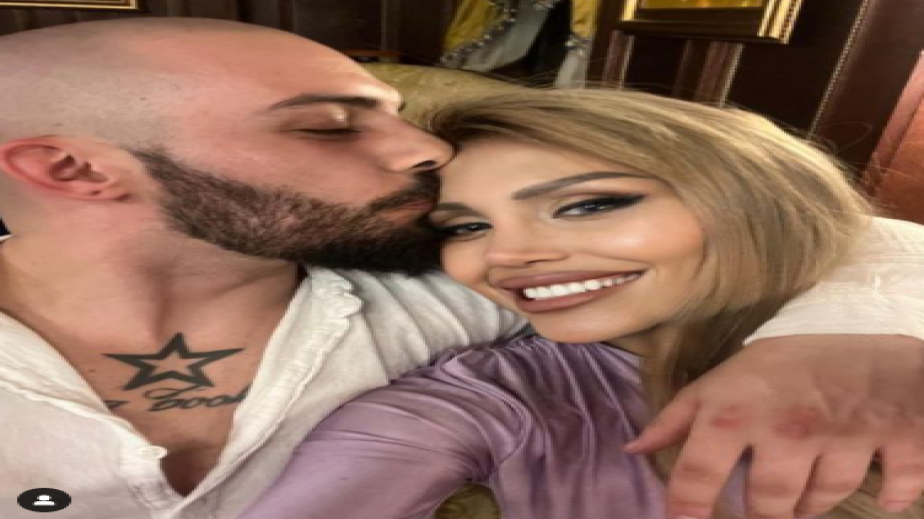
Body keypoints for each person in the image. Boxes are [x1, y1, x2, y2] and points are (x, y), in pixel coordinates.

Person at [0, 16, 921, 519]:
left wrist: (842, 338)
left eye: (393, 112)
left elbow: (805, 225)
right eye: (329, 125)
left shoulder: (448, 287)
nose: (424, 149)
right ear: (74, 170)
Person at [235, 88, 924, 519]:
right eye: (466, 227)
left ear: (753, 201)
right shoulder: (484, 399)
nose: (507, 255)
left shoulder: (886, 316)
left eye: (589, 205)